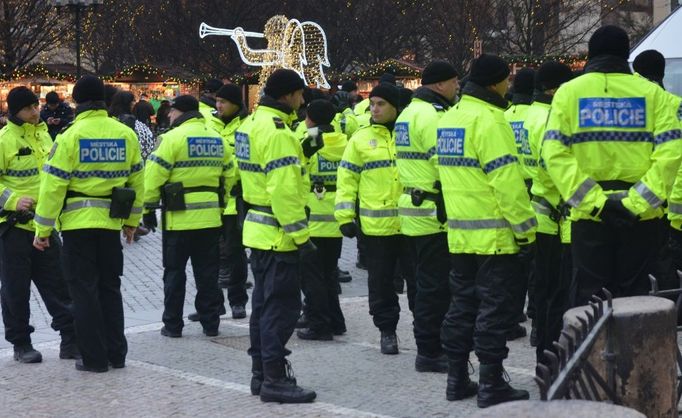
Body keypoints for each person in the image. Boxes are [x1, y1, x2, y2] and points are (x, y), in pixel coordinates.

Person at [542, 26, 682, 307]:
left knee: (590, 302)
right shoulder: (654, 95)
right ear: (625, 54)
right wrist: (636, 203)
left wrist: (596, 203)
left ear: (592, 54)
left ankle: (596, 351)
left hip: (590, 218)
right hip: (642, 219)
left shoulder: (569, 93)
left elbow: (553, 154)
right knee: (638, 302)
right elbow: (670, 154)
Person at [438, 54, 535, 407]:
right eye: (506, 80)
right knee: (494, 310)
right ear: (497, 83)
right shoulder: (492, 121)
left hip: (461, 235)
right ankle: (492, 383)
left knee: (461, 307)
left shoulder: (451, 118)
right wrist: (526, 232)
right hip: (495, 237)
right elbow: (507, 183)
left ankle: (456, 378)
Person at [33, 75, 144, 372]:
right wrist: (132, 221)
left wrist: (42, 230)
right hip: (110, 225)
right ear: (104, 101)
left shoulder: (70, 136)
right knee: (110, 288)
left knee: (84, 292)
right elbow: (137, 182)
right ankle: (117, 354)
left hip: (77, 226)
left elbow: (52, 187)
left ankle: (94, 359)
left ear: (77, 102)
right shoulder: (125, 134)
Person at [235, 69, 317, 403]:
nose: (302, 102)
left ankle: (261, 373)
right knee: (281, 308)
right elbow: (284, 189)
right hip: (279, 232)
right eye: (300, 95)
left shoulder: (250, 124)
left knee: (263, 307)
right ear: (287, 95)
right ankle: (275, 379)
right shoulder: (278, 132)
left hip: (257, 228)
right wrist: (301, 237)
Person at [143, 95, 234, 339]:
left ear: (180, 112)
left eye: (171, 112)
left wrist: (148, 208)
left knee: (174, 273)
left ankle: (173, 325)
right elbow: (230, 176)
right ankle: (211, 324)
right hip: (211, 219)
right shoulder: (218, 139)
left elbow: (153, 176)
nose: (169, 116)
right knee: (207, 274)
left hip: (178, 219)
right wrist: (222, 205)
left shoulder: (171, 139)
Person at [0, 86, 78, 364]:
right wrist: (12, 200)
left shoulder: (45, 135)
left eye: (36, 106)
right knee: (15, 290)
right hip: (13, 229)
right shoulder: (4, 140)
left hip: (43, 225)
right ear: (15, 110)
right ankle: (21, 344)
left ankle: (70, 340)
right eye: (29, 108)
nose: (35, 111)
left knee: (58, 286)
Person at [335, 83, 414, 355]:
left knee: (418, 282)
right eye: (373, 104)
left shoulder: (409, 133)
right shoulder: (360, 138)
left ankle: (425, 331)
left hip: (412, 224)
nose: (375, 109)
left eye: (381, 104)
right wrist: (344, 215)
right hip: (376, 228)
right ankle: (387, 330)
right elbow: (346, 180)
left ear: (395, 107)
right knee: (381, 283)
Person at [395, 60, 458, 373]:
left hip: (412, 209)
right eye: (454, 82)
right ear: (441, 84)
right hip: (434, 211)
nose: (457, 87)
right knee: (436, 286)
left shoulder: (408, 113)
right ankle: (431, 350)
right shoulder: (433, 116)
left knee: (422, 284)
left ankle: (428, 345)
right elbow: (444, 165)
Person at [526, 61, 574, 362]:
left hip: (538, 214)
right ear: (556, 88)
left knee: (543, 290)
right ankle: (550, 358)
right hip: (558, 218)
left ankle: (543, 350)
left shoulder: (529, 114)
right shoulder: (551, 118)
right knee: (559, 293)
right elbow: (554, 168)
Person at [187, 83, 247, 322]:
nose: (218, 106)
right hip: (212, 201)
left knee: (235, 254)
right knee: (209, 257)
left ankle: (238, 301)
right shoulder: (208, 124)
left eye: (223, 102)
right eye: (217, 101)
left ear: (235, 104)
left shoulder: (246, 126)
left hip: (235, 200)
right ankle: (212, 305)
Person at [296, 99, 348, 341]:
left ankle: (320, 325)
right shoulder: (343, 140)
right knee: (329, 274)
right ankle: (336, 321)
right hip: (336, 219)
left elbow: (297, 170)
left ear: (311, 118)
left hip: (314, 220)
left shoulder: (312, 140)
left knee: (312, 277)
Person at [503, 67, 536, 342]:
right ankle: (533, 308)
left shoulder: (504, 116)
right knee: (534, 259)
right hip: (533, 191)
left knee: (512, 261)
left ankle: (513, 313)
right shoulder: (536, 115)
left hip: (507, 189)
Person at [108, 91, 155, 160]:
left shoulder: (109, 122)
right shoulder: (139, 127)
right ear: (128, 104)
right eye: (132, 101)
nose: (134, 103)